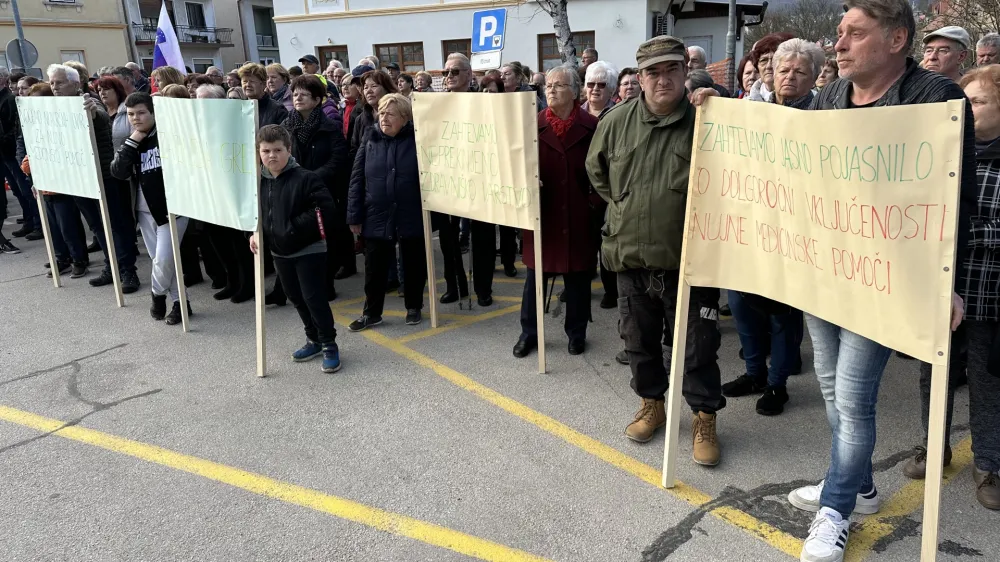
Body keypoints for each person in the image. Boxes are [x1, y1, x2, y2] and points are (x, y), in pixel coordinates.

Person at [774, 1, 977, 559]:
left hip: (886, 276)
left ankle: (835, 508)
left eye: (853, 34)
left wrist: (947, 282)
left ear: (896, 40)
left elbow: (957, 200)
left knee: (857, 395)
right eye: (839, 33)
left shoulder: (938, 98)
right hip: (827, 269)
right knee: (832, 384)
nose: (837, 45)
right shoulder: (832, 97)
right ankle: (858, 485)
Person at [586, 36, 725, 465]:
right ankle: (652, 404)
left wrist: (719, 102)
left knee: (698, 346)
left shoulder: (709, 118)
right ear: (639, 78)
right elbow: (598, 172)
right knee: (638, 341)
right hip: (631, 256)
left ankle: (704, 417)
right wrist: (630, 208)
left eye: (671, 70)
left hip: (690, 261)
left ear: (685, 73)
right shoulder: (615, 121)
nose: (662, 79)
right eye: (653, 72)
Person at [898, 65, 1000, 511]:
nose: (967, 109)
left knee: (985, 379)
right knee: (933, 376)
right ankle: (932, 445)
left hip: (988, 296)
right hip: (939, 291)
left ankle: (989, 463)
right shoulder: (945, 153)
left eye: (977, 101)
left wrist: (953, 234)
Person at [720, 38, 821, 418]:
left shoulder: (825, 113)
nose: (790, 77)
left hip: (796, 233)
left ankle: (778, 384)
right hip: (750, 227)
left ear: (814, 77)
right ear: (771, 73)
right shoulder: (751, 112)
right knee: (740, 304)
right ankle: (753, 373)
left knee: (783, 314)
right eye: (783, 70)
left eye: (800, 71)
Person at [513, 65, 598, 358]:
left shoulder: (591, 126)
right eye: (548, 85)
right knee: (535, 279)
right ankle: (529, 333)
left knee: (577, 281)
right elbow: (515, 164)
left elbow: (602, 171)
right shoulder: (531, 125)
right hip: (543, 215)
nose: (551, 89)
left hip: (577, 215)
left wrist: (592, 205)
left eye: (559, 85)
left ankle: (576, 333)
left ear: (575, 92)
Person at [251, 124, 341, 373]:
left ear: (289, 150)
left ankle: (329, 344)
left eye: (277, 150)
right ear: (258, 152)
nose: (271, 156)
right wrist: (255, 231)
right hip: (280, 252)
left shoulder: (306, 178)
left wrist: (289, 229)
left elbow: (324, 211)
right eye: (266, 151)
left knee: (314, 298)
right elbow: (257, 212)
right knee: (295, 297)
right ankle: (312, 338)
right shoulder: (260, 181)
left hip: (308, 249)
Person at [48, 64, 141, 293]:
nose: (55, 87)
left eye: (59, 82)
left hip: (105, 175)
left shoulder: (90, 102)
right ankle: (112, 266)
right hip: (79, 177)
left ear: (75, 83)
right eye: (52, 83)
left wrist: (91, 113)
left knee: (116, 224)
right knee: (98, 226)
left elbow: (99, 115)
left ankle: (128, 270)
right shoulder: (51, 109)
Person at [346, 93, 427, 330]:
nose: (384, 118)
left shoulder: (418, 139)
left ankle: (414, 307)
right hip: (376, 213)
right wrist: (354, 215)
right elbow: (356, 178)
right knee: (374, 268)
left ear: (405, 117)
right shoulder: (369, 139)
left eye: (390, 113)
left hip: (410, 212)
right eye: (381, 113)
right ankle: (371, 313)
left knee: (413, 264)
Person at [110, 92, 190, 325]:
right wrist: (133, 140)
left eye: (142, 113)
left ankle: (157, 294)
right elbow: (118, 171)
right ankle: (180, 304)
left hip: (171, 210)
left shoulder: (168, 135)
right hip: (144, 211)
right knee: (162, 261)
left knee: (164, 260)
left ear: (154, 113)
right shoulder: (134, 139)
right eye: (131, 114)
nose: (136, 118)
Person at [280, 74, 350, 303]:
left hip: (321, 192)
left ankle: (326, 284)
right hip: (293, 191)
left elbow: (337, 159)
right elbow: (278, 153)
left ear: (317, 99)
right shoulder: (286, 126)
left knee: (324, 241)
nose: (297, 98)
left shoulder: (329, 127)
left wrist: (311, 178)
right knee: (299, 239)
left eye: (304, 94)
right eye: (295, 93)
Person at [0, 67, 41, 241]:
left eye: (23, 88)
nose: (18, 90)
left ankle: (37, 224)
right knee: (19, 190)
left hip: (12, 151)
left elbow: (13, 129)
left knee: (26, 190)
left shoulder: (9, 100)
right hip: (8, 153)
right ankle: (29, 220)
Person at [747, 32, 796, 102]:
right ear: (757, 66)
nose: (769, 66)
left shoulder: (812, 102)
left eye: (774, 60)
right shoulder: (744, 104)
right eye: (764, 60)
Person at [96, 76, 131, 152]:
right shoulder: (100, 113)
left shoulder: (128, 111)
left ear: (117, 91)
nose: (102, 93)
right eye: (99, 90)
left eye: (106, 89)